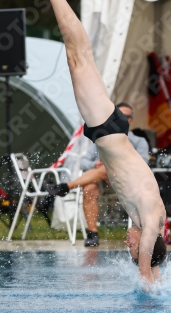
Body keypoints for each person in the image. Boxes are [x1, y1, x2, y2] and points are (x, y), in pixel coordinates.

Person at [28, 0, 167, 285]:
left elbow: (154, 258)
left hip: (106, 132)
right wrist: (147, 278)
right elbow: (148, 258)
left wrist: (156, 276)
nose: (128, 245)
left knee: (78, 57)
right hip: (107, 130)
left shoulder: (149, 220)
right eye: (133, 250)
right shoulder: (150, 220)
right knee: (79, 55)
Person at [47, 102, 149, 247]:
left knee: (106, 168)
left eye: (125, 116)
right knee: (89, 188)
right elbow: (84, 162)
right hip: (100, 178)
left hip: (126, 182)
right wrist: (94, 165)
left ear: (131, 120)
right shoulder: (102, 139)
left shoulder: (139, 141)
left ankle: (66, 187)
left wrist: (117, 163)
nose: (121, 119)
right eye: (118, 116)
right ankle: (92, 233)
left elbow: (143, 164)